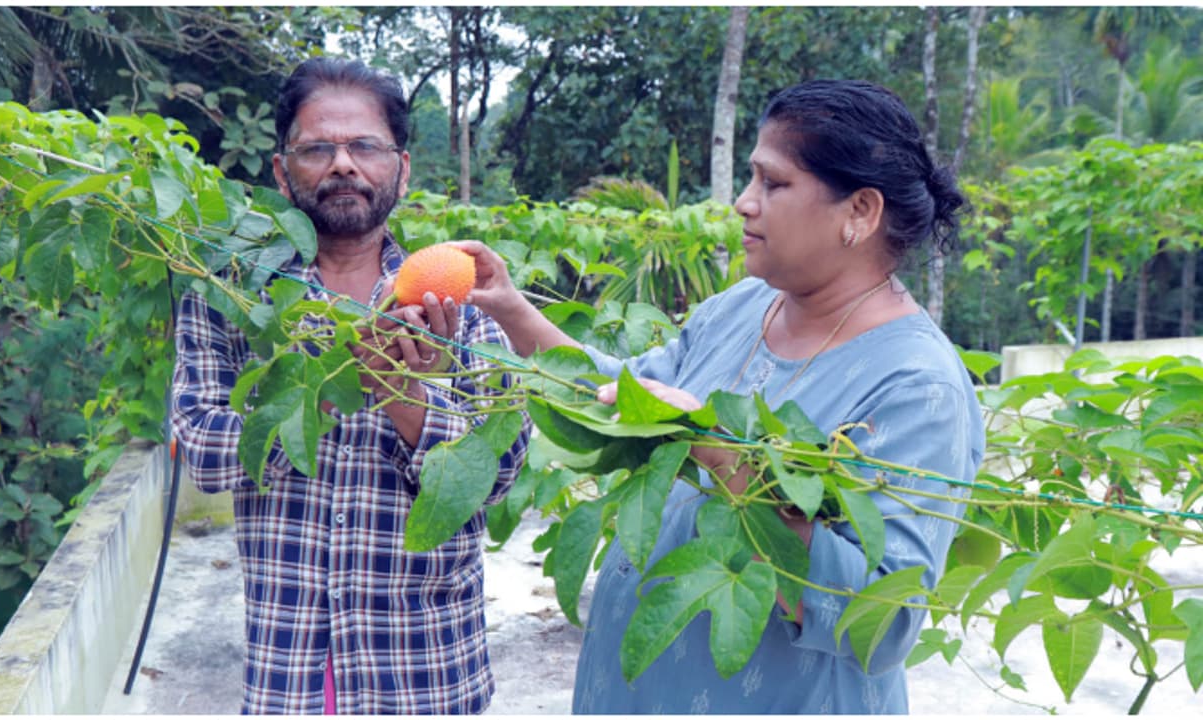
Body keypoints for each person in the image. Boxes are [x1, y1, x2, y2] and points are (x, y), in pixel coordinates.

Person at [454, 79, 985, 714]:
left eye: (773, 183)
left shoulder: (917, 385)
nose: (743, 202)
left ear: (860, 213)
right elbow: (627, 396)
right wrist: (515, 313)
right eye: (751, 180)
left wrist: (717, 449)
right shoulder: (744, 305)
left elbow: (882, 622)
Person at [170, 57, 531, 715]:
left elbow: (499, 468)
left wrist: (405, 397)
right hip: (290, 670)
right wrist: (332, 389)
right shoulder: (234, 294)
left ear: (401, 167)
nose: (343, 164)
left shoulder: (460, 297)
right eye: (317, 148)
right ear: (282, 171)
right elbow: (203, 447)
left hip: (426, 670)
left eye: (365, 145)